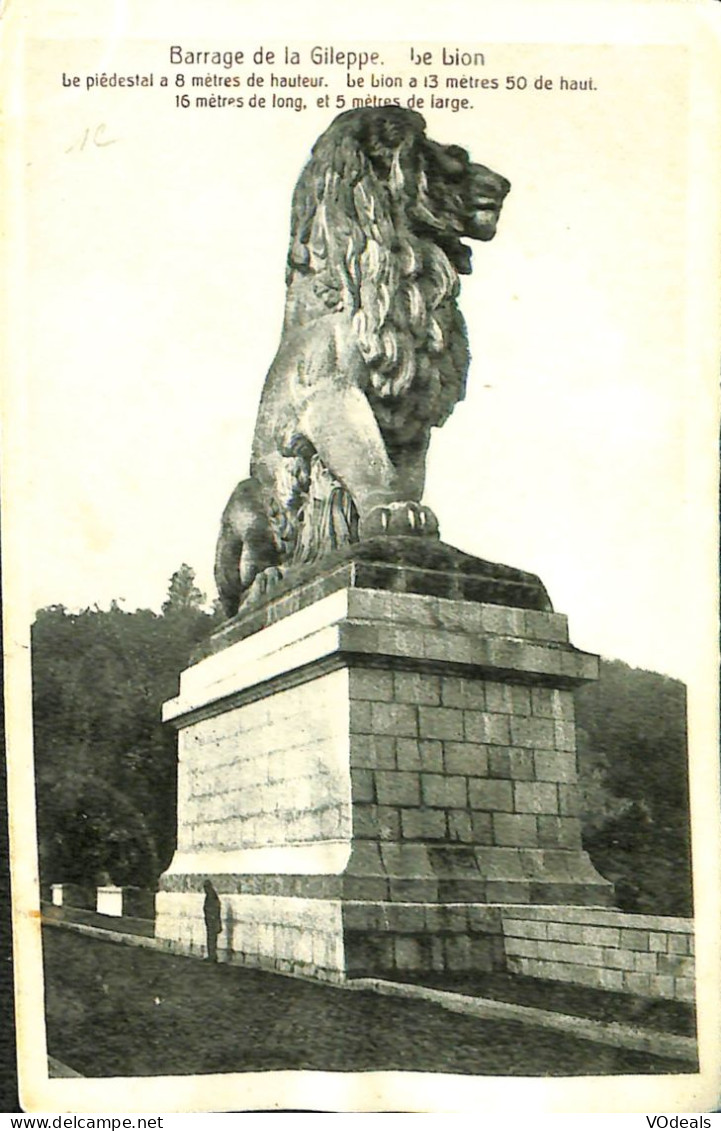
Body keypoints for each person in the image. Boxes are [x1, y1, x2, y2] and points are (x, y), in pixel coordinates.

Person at [202, 879, 221, 962]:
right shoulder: (212, 894)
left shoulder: (211, 895)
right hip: (211, 920)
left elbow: (214, 908)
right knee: (211, 939)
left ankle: (212, 956)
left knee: (211, 939)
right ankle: (212, 955)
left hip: (212, 920)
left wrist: (212, 918)